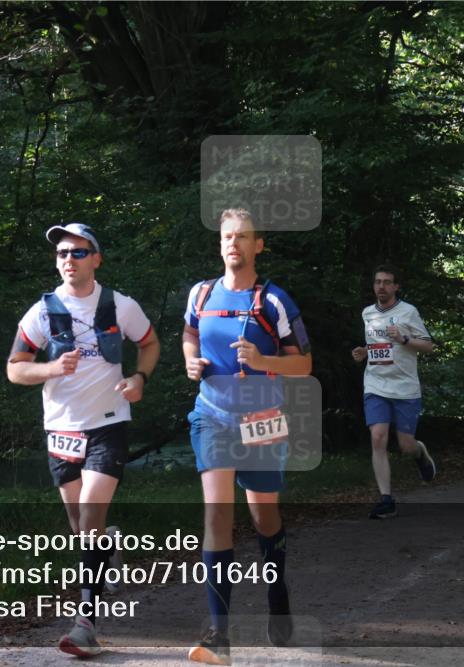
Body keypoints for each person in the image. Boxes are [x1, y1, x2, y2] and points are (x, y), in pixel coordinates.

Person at [6, 223, 159, 657]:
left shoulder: (120, 305)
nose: (68, 259)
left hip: (109, 422)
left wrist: (139, 378)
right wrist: (51, 369)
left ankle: (85, 624)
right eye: (61, 253)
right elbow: (15, 368)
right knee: (81, 526)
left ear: (96, 259)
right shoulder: (42, 311)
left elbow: (150, 344)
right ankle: (107, 545)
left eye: (77, 252)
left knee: (90, 511)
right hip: (61, 427)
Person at [182, 208, 312, 665]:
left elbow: (304, 364)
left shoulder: (274, 300)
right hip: (212, 416)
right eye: (226, 237)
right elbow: (189, 333)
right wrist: (190, 360)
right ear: (219, 244)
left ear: (258, 245)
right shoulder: (201, 293)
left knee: (263, 517)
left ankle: (278, 597)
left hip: (263, 418)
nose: (233, 244)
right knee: (217, 513)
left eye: (242, 237)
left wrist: (262, 361)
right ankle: (219, 634)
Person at [351, 265, 436, 520]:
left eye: (387, 282)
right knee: (378, 437)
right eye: (378, 282)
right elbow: (377, 345)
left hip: (405, 387)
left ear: (396, 287)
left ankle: (419, 453)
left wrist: (404, 339)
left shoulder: (408, 312)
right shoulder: (367, 313)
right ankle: (386, 500)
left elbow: (429, 346)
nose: (382, 286)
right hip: (375, 384)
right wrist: (364, 352)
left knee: (406, 445)